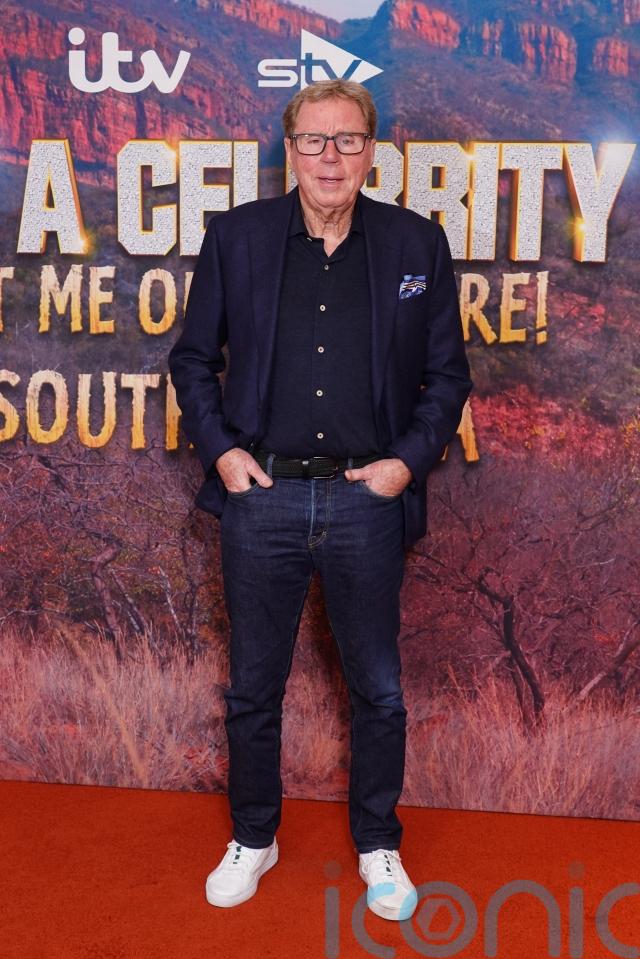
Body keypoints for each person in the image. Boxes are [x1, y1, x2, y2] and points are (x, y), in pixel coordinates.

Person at [168, 78, 472, 921]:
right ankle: (254, 835)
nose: (329, 156)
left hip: (366, 500)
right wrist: (223, 452)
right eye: (313, 140)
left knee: (379, 689)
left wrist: (405, 465)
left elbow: (448, 377)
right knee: (252, 688)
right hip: (260, 497)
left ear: (372, 150)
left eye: (347, 140)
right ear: (290, 149)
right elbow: (192, 360)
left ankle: (378, 842)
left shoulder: (416, 244)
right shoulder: (236, 238)